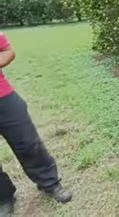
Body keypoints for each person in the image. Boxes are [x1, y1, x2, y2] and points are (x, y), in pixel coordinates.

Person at [0, 31, 72, 216]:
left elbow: (8, 52)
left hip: (3, 97)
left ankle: (50, 183)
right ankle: (4, 197)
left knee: (27, 141)